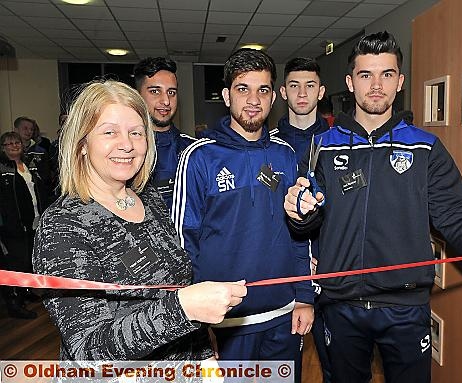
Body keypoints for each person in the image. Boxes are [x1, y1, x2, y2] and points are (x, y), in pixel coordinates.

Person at [283, 31, 462, 383]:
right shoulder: (321, 148)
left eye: (386, 74)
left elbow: (454, 213)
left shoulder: (426, 148)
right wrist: (299, 212)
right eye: (366, 75)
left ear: (400, 81)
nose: (376, 85)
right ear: (350, 82)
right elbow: (306, 224)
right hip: (340, 304)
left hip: (405, 307)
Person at [32, 80, 247, 360]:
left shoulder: (149, 198)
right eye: (110, 132)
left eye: (136, 133)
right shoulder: (63, 225)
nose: (127, 145)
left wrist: (203, 353)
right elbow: (88, 351)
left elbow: (178, 286)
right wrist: (183, 309)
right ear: (82, 144)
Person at [171, 48, 315, 382]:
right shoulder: (199, 157)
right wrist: (192, 320)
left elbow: (299, 233)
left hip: (283, 315)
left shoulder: (285, 154)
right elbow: (183, 242)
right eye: (243, 89)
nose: (253, 99)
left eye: (263, 90)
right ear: (226, 96)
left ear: (272, 97)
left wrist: (304, 298)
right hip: (225, 322)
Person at [272, 56, 332, 383]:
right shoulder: (268, 144)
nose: (302, 93)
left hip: (331, 266)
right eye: (294, 86)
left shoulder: (340, 142)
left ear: (321, 91)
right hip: (285, 270)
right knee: (284, 370)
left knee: (338, 364)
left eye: (310, 85)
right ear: (283, 92)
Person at [133, 57, 195, 209]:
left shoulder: (193, 150)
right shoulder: (125, 152)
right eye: (155, 91)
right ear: (137, 96)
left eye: (171, 92)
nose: (166, 101)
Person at [0, 132, 50, 319]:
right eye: (9, 143)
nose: (14, 146)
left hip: (34, 221)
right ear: (3, 147)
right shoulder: (2, 168)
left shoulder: (28, 164)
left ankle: (26, 292)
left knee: (28, 260)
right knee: (14, 263)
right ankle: (14, 303)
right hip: (12, 226)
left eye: (17, 142)